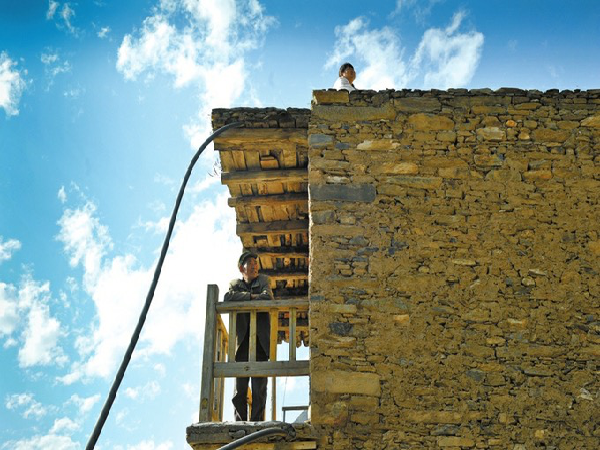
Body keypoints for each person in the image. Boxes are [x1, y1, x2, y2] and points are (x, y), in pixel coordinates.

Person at [224, 250, 274, 421]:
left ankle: (257, 423)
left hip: (260, 341)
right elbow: (228, 297)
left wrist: (245, 299)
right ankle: (240, 422)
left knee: (259, 388)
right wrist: (252, 296)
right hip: (242, 342)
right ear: (241, 268)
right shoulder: (235, 284)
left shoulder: (264, 280)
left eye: (255, 263)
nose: (254, 266)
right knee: (240, 389)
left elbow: (268, 298)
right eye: (250, 264)